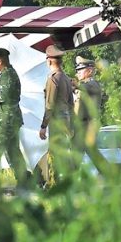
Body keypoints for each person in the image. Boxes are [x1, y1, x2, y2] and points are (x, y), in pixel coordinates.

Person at [0, 48, 27, 187]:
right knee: (13, 152)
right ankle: (24, 182)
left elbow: (5, 96)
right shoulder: (5, 75)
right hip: (8, 119)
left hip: (4, 121)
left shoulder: (7, 75)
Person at [38, 45, 74, 184]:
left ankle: (60, 184)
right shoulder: (65, 78)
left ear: (49, 61)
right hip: (66, 119)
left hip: (57, 121)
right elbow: (71, 103)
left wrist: (43, 126)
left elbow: (49, 105)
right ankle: (69, 181)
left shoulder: (53, 79)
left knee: (57, 153)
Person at [72, 55, 105, 171]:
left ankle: (68, 182)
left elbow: (78, 86)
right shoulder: (84, 86)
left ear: (90, 71)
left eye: (80, 70)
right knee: (90, 154)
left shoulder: (93, 84)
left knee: (75, 156)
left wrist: (65, 81)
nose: (78, 73)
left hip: (87, 125)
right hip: (81, 125)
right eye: (77, 71)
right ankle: (109, 174)